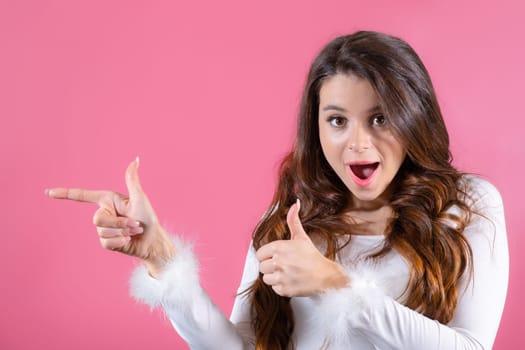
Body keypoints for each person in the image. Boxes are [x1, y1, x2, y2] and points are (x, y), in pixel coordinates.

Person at [46, 31, 509, 349]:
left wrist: (336, 285)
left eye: (380, 117)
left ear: (414, 116)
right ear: (317, 126)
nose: (358, 142)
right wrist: (164, 262)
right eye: (337, 120)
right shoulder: (292, 216)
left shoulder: (467, 207)